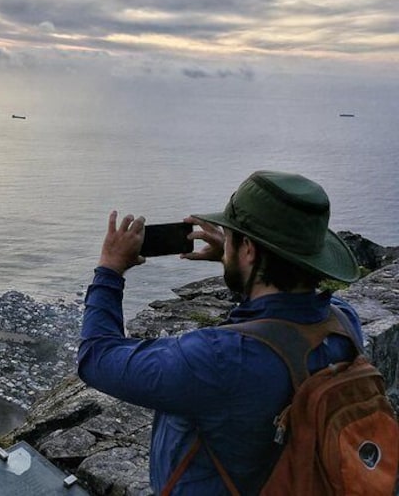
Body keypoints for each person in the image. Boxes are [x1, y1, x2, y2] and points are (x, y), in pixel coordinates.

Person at [77, 170, 363, 495]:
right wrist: (235, 260)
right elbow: (281, 310)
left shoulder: (218, 358)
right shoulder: (343, 323)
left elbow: (96, 357)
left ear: (250, 249)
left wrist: (110, 269)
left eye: (232, 237)